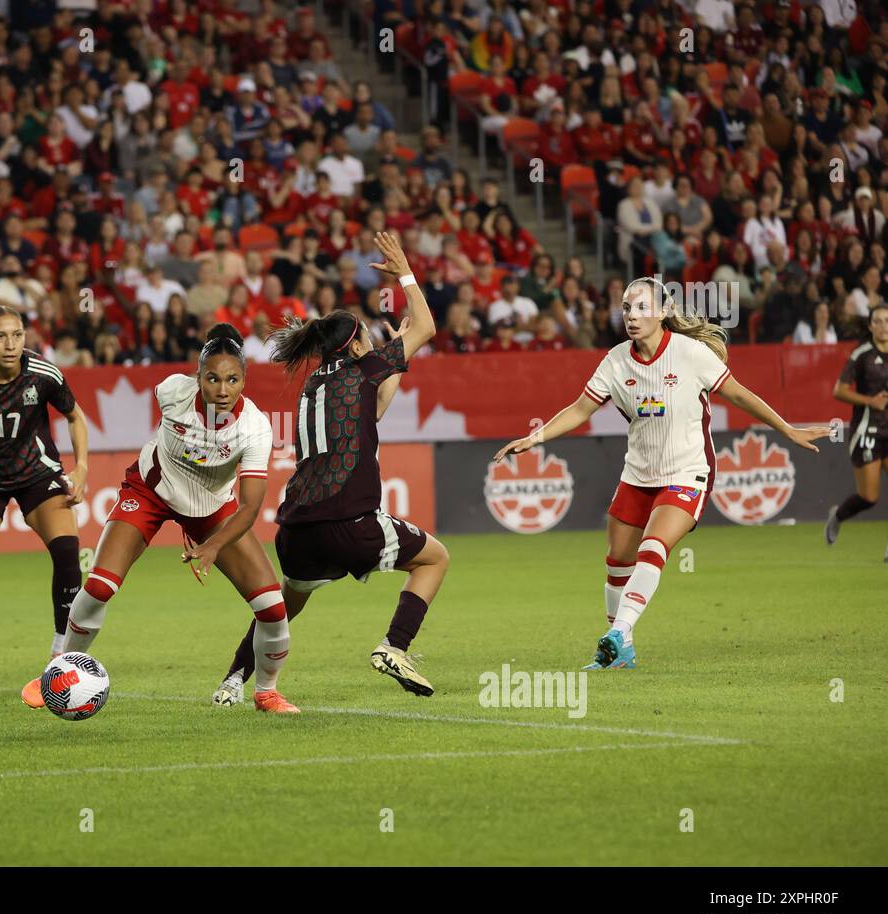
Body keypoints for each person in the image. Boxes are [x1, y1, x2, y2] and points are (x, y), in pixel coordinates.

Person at [493, 277, 830, 670]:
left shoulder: (691, 354)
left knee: (653, 546)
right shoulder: (616, 360)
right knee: (618, 560)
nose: (632, 316)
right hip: (637, 476)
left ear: (664, 311)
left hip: (687, 473)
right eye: (626, 308)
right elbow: (580, 409)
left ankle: (618, 634)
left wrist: (787, 428)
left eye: (641, 308)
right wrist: (535, 437)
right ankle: (623, 653)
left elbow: (738, 394)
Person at [215, 231, 447, 705]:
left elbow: (374, 409)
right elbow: (426, 326)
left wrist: (397, 358)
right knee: (435, 558)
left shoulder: (314, 387)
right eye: (366, 335)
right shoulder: (361, 369)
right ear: (358, 346)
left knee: (280, 609)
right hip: (349, 521)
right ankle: (395, 647)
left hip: (298, 528)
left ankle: (232, 681)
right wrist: (404, 270)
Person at [22, 323, 299, 714]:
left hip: (211, 511)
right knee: (100, 586)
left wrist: (212, 545)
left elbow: (251, 507)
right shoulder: (173, 392)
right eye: (212, 378)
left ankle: (266, 692)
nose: (222, 389)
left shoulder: (255, 428)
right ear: (197, 377)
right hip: (150, 493)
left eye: (232, 379)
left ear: (245, 379)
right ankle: (57, 670)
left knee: (272, 608)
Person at [0, 305, 91, 694]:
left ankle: (61, 651)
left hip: (37, 474)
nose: (10, 344)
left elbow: (75, 417)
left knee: (68, 553)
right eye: (0, 336)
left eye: (17, 335)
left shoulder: (44, 372)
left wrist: (80, 469)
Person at [826, 305, 888, 560]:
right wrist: (870, 401)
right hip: (867, 430)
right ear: (871, 326)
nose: (883, 325)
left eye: (887, 321)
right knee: (870, 496)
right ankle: (838, 516)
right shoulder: (861, 355)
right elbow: (839, 390)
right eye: (878, 321)